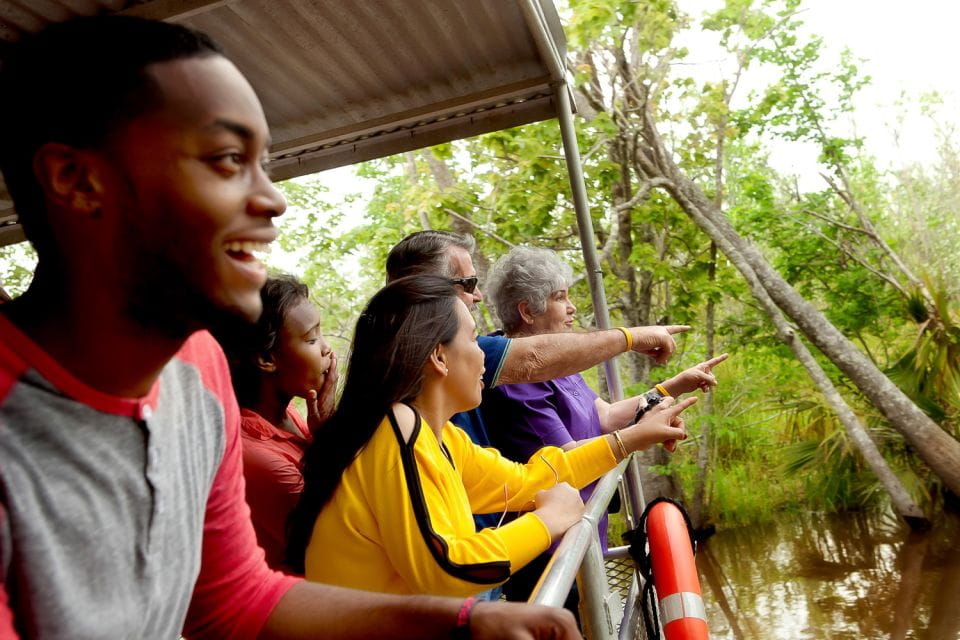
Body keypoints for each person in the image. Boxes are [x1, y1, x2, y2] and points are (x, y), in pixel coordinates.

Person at [0, 15, 582, 639]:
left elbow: (236, 600)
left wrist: (465, 622)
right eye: (228, 160)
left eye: (265, 163)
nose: (273, 199)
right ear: (76, 181)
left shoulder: (198, 368)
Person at [285, 275, 697, 598]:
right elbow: (449, 568)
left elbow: (528, 480)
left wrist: (631, 439)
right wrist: (549, 519)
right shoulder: (395, 430)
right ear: (438, 356)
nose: (484, 352)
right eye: (471, 338)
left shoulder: (437, 436)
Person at [482, 246, 729, 604]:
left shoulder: (558, 365)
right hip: (548, 550)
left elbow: (604, 416)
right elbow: (568, 459)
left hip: (581, 533)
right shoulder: (518, 379)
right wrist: (636, 438)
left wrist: (674, 385)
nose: (572, 308)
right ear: (527, 311)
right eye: (560, 298)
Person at [215, 274, 338, 571]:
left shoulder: (289, 415)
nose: (326, 350)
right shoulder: (254, 456)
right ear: (267, 358)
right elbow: (334, 537)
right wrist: (330, 441)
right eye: (311, 339)